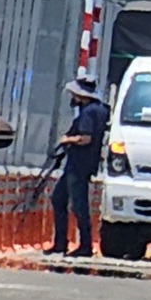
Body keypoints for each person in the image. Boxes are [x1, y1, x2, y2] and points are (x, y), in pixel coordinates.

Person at [51, 77, 106, 256]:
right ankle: (61, 242)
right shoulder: (98, 110)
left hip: (78, 165)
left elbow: (85, 138)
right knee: (58, 198)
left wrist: (67, 140)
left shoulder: (88, 112)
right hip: (81, 164)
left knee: (78, 205)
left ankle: (84, 245)